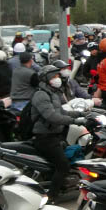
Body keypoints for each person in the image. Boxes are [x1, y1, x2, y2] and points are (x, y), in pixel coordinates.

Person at [31, 65, 86, 200]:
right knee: (63, 166)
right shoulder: (41, 95)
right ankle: (51, 196)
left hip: (54, 135)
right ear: (46, 79)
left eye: (57, 76)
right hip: (45, 138)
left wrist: (81, 113)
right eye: (54, 77)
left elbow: (61, 112)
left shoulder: (52, 93)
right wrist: (75, 121)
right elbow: (52, 117)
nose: (57, 79)